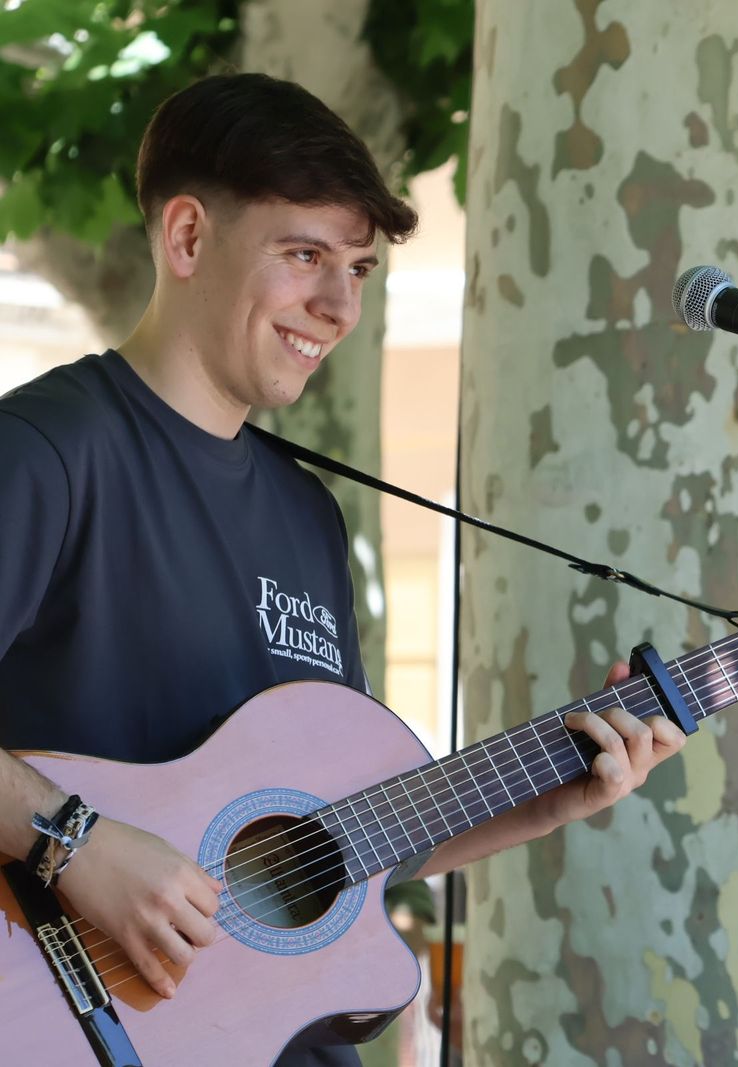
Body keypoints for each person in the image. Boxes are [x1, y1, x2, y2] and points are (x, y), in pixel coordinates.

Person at [0, 73, 685, 1066]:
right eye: (305, 254)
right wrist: (72, 840)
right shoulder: (47, 453)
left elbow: (320, 844)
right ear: (188, 237)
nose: (337, 304)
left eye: (359, 268)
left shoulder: (308, 516)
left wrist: (550, 797)